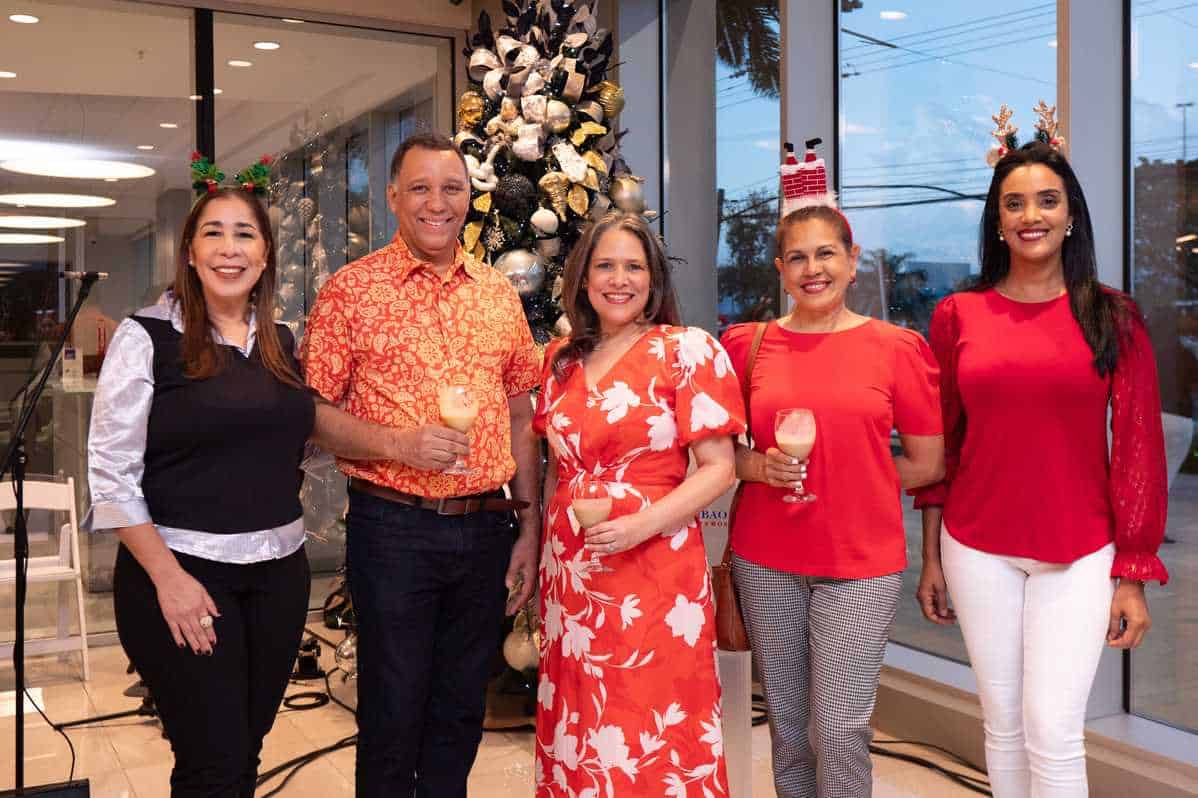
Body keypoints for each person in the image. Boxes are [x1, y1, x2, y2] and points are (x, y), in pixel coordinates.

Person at [87, 181, 405, 797]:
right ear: (189, 252)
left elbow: (293, 444)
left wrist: (394, 436)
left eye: (245, 234)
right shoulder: (147, 338)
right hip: (183, 579)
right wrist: (170, 581)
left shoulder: (281, 342)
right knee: (213, 762)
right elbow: (112, 474)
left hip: (278, 577)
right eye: (213, 233)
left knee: (247, 749)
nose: (229, 249)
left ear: (264, 257)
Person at [915, 137, 1169, 797]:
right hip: (975, 544)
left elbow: (1139, 448)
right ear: (997, 221)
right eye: (1015, 203)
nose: (1033, 215)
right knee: (1001, 726)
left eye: (1047, 200)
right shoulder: (957, 314)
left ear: (1071, 214)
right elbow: (945, 444)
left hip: (1081, 547)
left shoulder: (1114, 316)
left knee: (1052, 729)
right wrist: (933, 557)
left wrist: (1133, 572)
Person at [302, 131, 543, 798]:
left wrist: (529, 527)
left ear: (469, 197)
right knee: (392, 712)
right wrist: (398, 444)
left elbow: (521, 412)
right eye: (420, 188)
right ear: (392, 198)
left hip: (488, 527)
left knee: (460, 714)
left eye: (452, 188)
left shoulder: (498, 293)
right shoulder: (350, 291)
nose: (437, 203)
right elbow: (312, 412)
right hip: (394, 528)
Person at [721, 201, 945, 798]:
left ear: (852, 261)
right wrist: (758, 467)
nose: (812, 268)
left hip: (860, 564)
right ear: (779, 269)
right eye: (797, 257)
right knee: (790, 729)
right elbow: (720, 458)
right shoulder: (748, 346)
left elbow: (928, 464)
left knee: (841, 728)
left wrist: (857, 477)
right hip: (765, 558)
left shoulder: (897, 348)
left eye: (826, 254)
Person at [532, 211, 744, 796]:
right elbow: (557, 477)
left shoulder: (688, 350)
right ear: (582, 278)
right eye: (604, 266)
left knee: (651, 715)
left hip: (656, 569)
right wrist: (543, 557)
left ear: (653, 280)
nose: (618, 279)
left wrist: (640, 525)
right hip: (573, 573)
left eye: (633, 266)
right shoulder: (559, 361)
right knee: (580, 711)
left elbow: (720, 468)